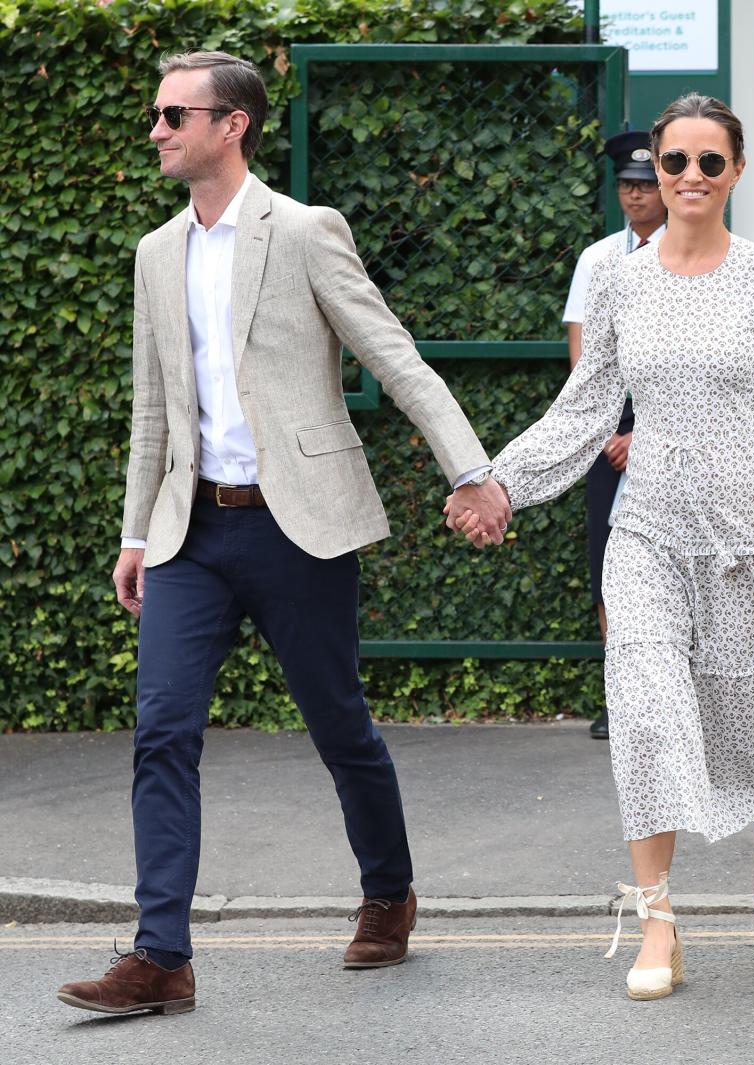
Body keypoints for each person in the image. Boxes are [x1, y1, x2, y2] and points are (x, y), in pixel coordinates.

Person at [57, 50, 509, 1017]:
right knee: (161, 731)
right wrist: (136, 533)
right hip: (190, 535)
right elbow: (153, 414)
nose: (157, 129)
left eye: (176, 113)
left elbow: (394, 356)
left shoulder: (303, 232)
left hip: (298, 529)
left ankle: (388, 893)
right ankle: (160, 955)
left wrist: (473, 470)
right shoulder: (154, 253)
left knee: (338, 724)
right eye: (156, 113)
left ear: (234, 126)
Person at [449, 93, 754, 1001]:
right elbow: (587, 407)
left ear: (737, 171)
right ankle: (658, 914)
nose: (691, 178)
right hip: (650, 531)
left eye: (710, 162)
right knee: (646, 703)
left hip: (747, 530)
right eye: (675, 163)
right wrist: (501, 479)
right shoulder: (621, 280)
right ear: (653, 174)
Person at [562, 131, 666, 739]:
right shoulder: (600, 259)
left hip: (677, 433)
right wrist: (607, 429)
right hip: (609, 432)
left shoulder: (692, 257)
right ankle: (622, 696)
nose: (634, 195)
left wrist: (646, 434)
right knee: (609, 563)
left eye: (644, 185)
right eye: (626, 185)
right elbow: (583, 349)